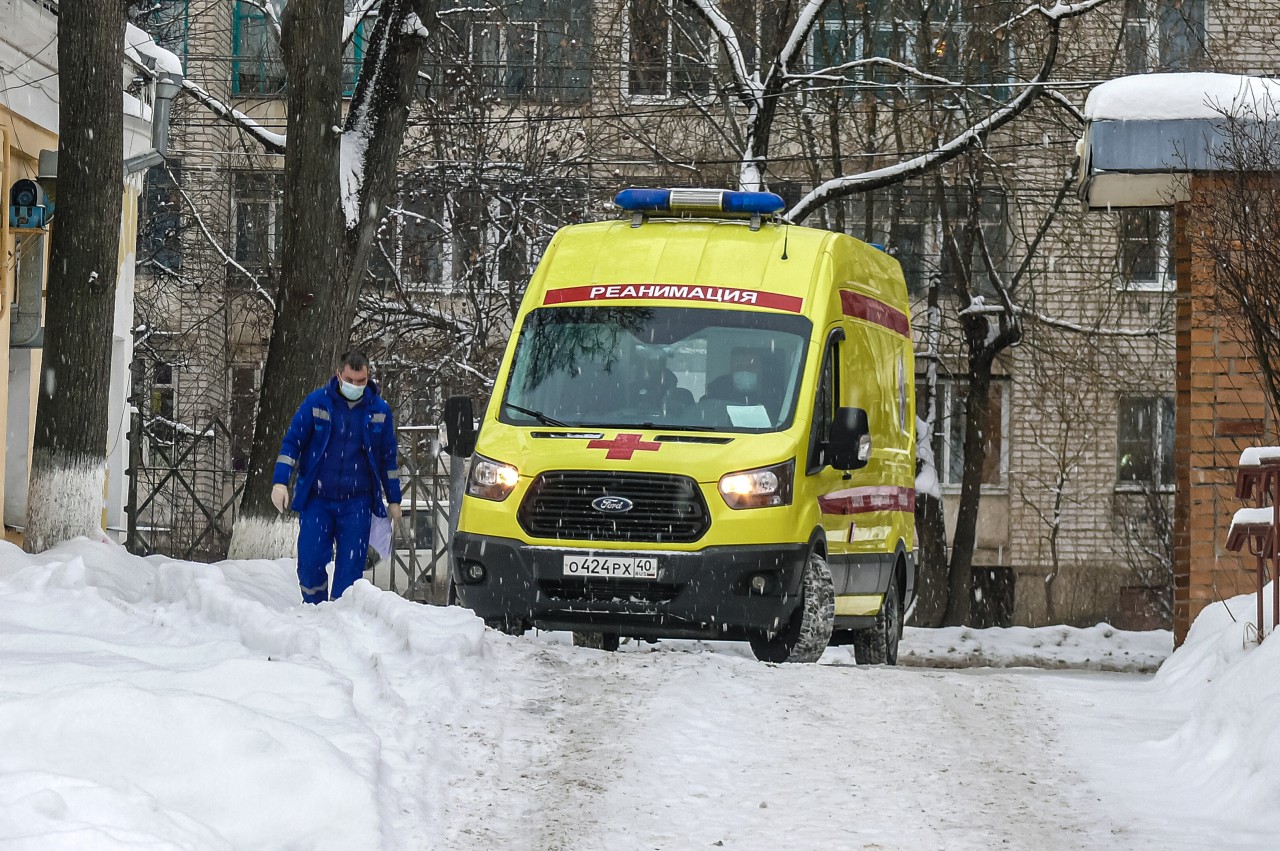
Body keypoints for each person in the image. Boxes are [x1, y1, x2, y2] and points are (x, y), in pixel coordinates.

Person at [271, 351, 402, 604]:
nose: (355, 386)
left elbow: (388, 459)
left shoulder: (379, 411)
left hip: (357, 503)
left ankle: (341, 618)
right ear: (339, 375)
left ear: (368, 378)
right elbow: (292, 443)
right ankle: (314, 607)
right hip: (318, 499)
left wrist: (394, 499)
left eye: (361, 381)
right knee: (309, 562)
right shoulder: (317, 403)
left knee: (350, 571)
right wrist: (280, 482)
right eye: (350, 380)